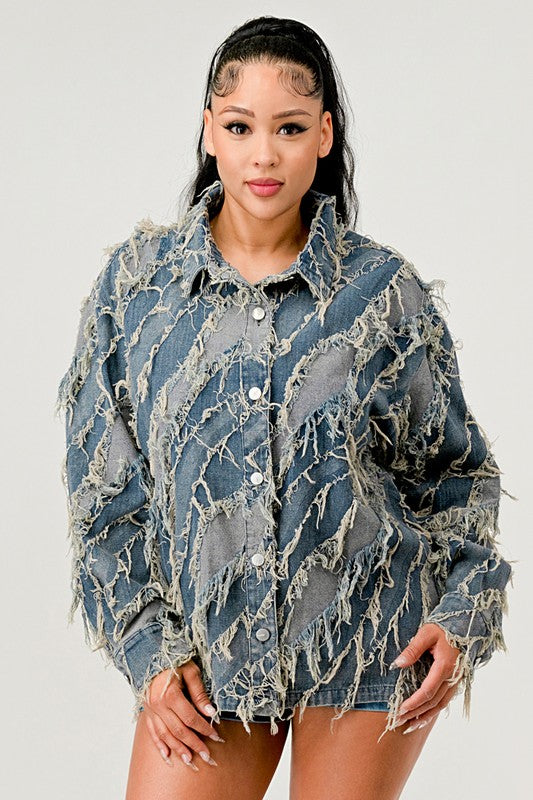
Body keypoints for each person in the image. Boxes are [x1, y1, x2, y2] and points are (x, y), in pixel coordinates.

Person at [55, 14, 513, 800]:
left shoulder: (383, 293)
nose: (263, 155)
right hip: (208, 652)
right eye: (240, 127)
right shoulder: (137, 292)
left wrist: (463, 610)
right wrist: (150, 652)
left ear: (323, 135)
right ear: (210, 131)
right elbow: (104, 496)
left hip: (369, 645)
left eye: (290, 128)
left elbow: (453, 474)